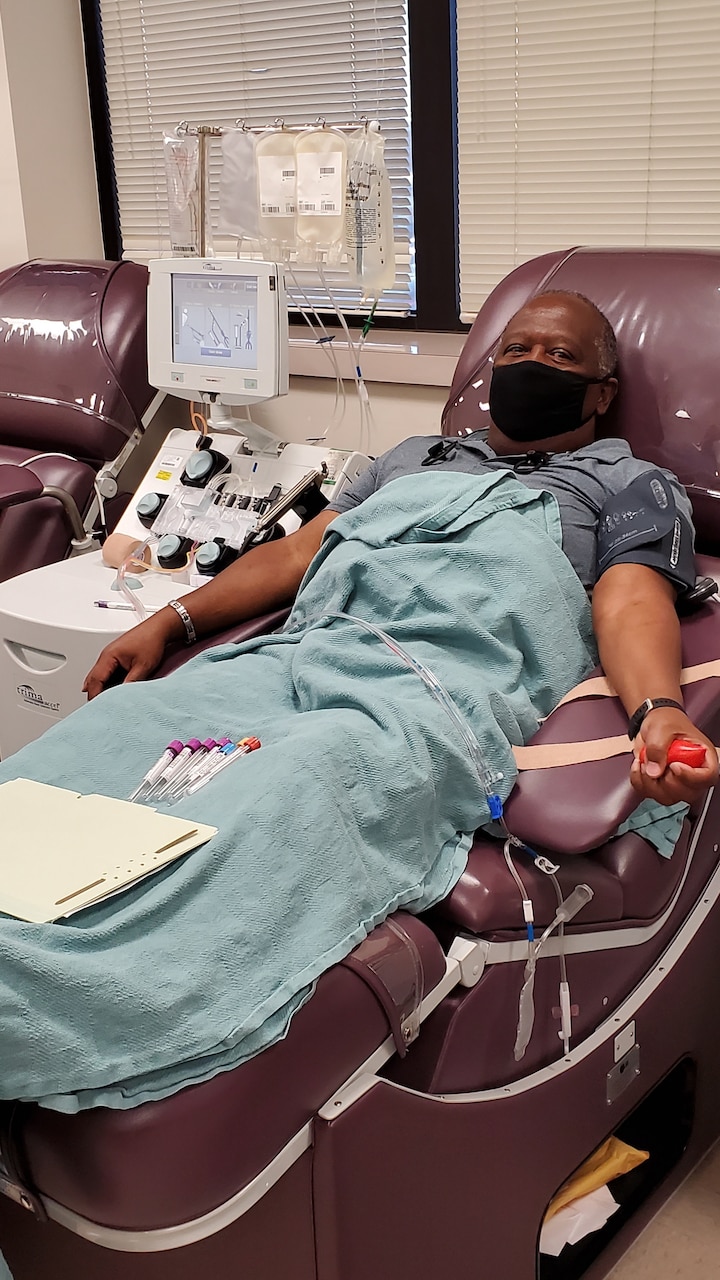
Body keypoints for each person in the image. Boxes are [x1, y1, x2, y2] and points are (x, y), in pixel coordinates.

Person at [85, 290, 718, 807]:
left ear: (602, 393)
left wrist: (658, 711)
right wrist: (169, 622)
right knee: (110, 738)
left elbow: (631, 598)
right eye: (516, 349)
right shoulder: (411, 456)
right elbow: (300, 554)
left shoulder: (628, 482)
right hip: (303, 656)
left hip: (439, 685)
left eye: (559, 355)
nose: (531, 363)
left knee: (281, 791)